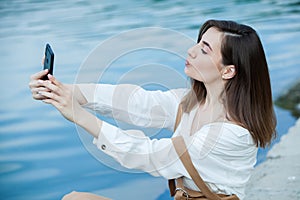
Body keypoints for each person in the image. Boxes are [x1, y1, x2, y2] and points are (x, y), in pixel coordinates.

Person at [29, 19, 276, 200]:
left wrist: (79, 116)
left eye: (204, 49)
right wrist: (65, 91)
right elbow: (134, 102)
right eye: (197, 43)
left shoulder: (231, 134)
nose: (191, 50)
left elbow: (149, 154)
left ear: (228, 71)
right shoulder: (191, 103)